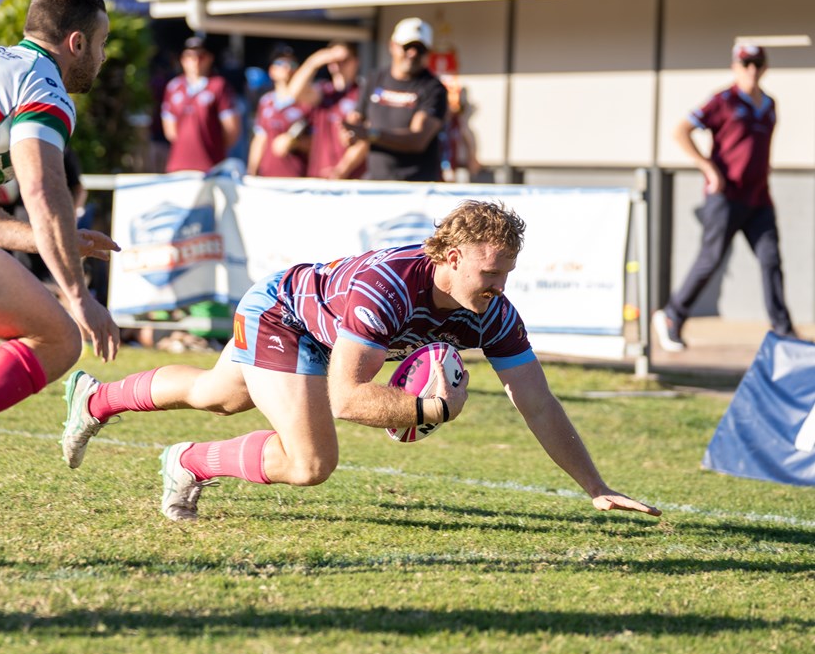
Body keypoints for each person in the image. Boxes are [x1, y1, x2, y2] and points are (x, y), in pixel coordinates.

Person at [61, 200, 661, 523]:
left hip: (326, 333)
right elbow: (345, 396)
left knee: (219, 394)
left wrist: (595, 486)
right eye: (491, 271)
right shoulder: (388, 287)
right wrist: (423, 408)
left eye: (508, 272)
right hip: (284, 315)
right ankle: (182, 457)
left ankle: (104, 404)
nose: (501, 285)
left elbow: (536, 400)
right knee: (311, 461)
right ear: (451, 257)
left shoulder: (492, 311)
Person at [0, 0, 120, 424]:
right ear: (76, 42)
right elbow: (42, 188)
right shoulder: (40, 84)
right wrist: (78, 294)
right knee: (58, 337)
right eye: (101, 42)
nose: (102, 56)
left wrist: (53, 240)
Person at [653, 43, 796, 352]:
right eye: (746, 64)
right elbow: (681, 131)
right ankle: (672, 316)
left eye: (757, 63)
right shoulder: (723, 101)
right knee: (711, 258)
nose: (752, 70)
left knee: (771, 260)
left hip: (759, 198)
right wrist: (708, 168)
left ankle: (784, 332)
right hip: (726, 196)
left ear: (765, 67)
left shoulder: (769, 104)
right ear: (735, 66)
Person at [342, 17, 448, 182]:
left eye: (419, 49)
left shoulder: (433, 88)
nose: (412, 54)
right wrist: (348, 135)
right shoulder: (374, 79)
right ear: (392, 46)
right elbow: (356, 122)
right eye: (407, 47)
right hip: (376, 181)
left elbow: (418, 139)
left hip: (416, 184)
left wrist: (371, 134)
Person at [286, 42, 366, 179]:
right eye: (333, 61)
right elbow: (294, 93)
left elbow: (366, 140)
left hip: (350, 177)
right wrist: (313, 62)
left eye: (343, 60)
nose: (338, 66)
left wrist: (341, 170)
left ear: (355, 62)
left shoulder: (362, 93)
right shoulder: (325, 91)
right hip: (319, 173)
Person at [162, 36, 241, 174]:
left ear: (209, 58)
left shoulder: (218, 86)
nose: (195, 61)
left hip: (211, 165)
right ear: (182, 59)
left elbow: (231, 131)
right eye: (190, 56)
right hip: (179, 164)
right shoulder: (174, 87)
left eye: (201, 56)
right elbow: (170, 131)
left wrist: (210, 145)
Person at [246, 45, 315, 178]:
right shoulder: (266, 102)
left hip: (296, 178)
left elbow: (320, 143)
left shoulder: (307, 102)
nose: (287, 67)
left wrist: (295, 143)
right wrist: (251, 171)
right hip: (267, 176)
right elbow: (260, 138)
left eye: (292, 64)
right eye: (280, 63)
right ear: (271, 70)